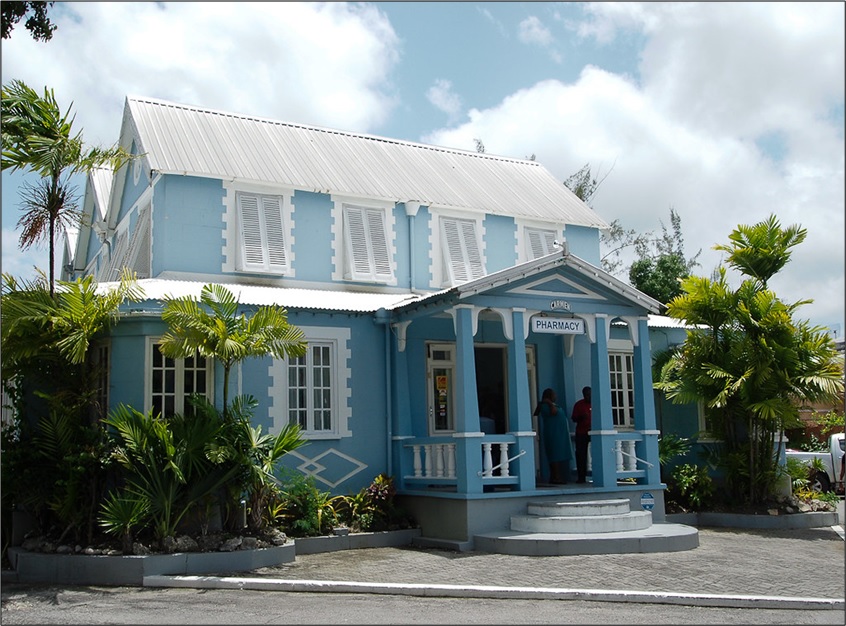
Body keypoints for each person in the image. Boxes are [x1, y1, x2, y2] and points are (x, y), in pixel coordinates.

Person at [534, 387, 572, 484]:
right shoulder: (545, 406)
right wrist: (549, 403)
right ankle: (555, 477)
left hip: (560, 433)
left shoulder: (554, 405)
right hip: (553, 433)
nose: (555, 396)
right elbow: (553, 412)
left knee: (559, 455)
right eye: (553, 394)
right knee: (554, 455)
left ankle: (555, 477)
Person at [571, 386, 592, 483]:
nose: (588, 397)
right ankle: (581, 477)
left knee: (597, 454)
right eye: (586, 395)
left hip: (594, 433)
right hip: (581, 433)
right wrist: (581, 417)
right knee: (580, 455)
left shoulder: (597, 403)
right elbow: (574, 418)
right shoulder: (578, 405)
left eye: (590, 394)